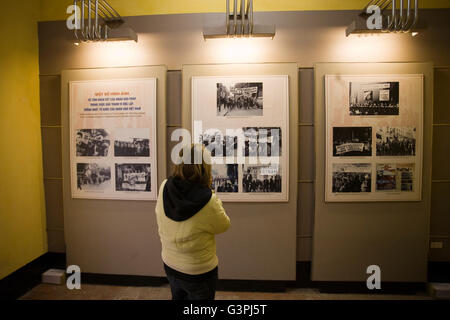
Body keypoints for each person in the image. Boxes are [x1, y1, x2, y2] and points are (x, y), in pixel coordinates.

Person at [155, 144, 230, 300]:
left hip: (170, 264)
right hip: (198, 272)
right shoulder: (209, 200)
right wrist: (211, 191)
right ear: (205, 168)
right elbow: (224, 225)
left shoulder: (164, 186)